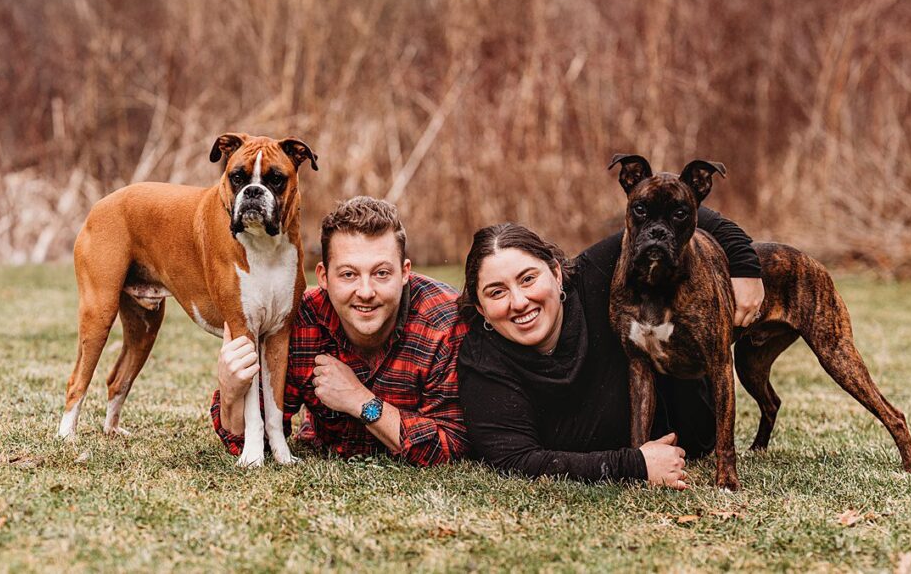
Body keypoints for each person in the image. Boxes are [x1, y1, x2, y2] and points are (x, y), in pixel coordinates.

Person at [457, 211, 763, 489]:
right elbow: (518, 460)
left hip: (695, 426)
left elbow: (681, 209)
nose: (519, 301)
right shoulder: (483, 362)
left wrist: (746, 268)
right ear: (481, 309)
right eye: (496, 292)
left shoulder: (596, 274)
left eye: (528, 279)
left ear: (556, 273)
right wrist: (636, 466)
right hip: (652, 456)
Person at [212, 196, 468, 465]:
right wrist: (231, 394)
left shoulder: (443, 324)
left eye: (382, 273)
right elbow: (250, 440)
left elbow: (452, 445)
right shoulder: (303, 320)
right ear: (323, 276)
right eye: (348, 274)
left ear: (405, 273)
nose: (366, 292)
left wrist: (359, 400)